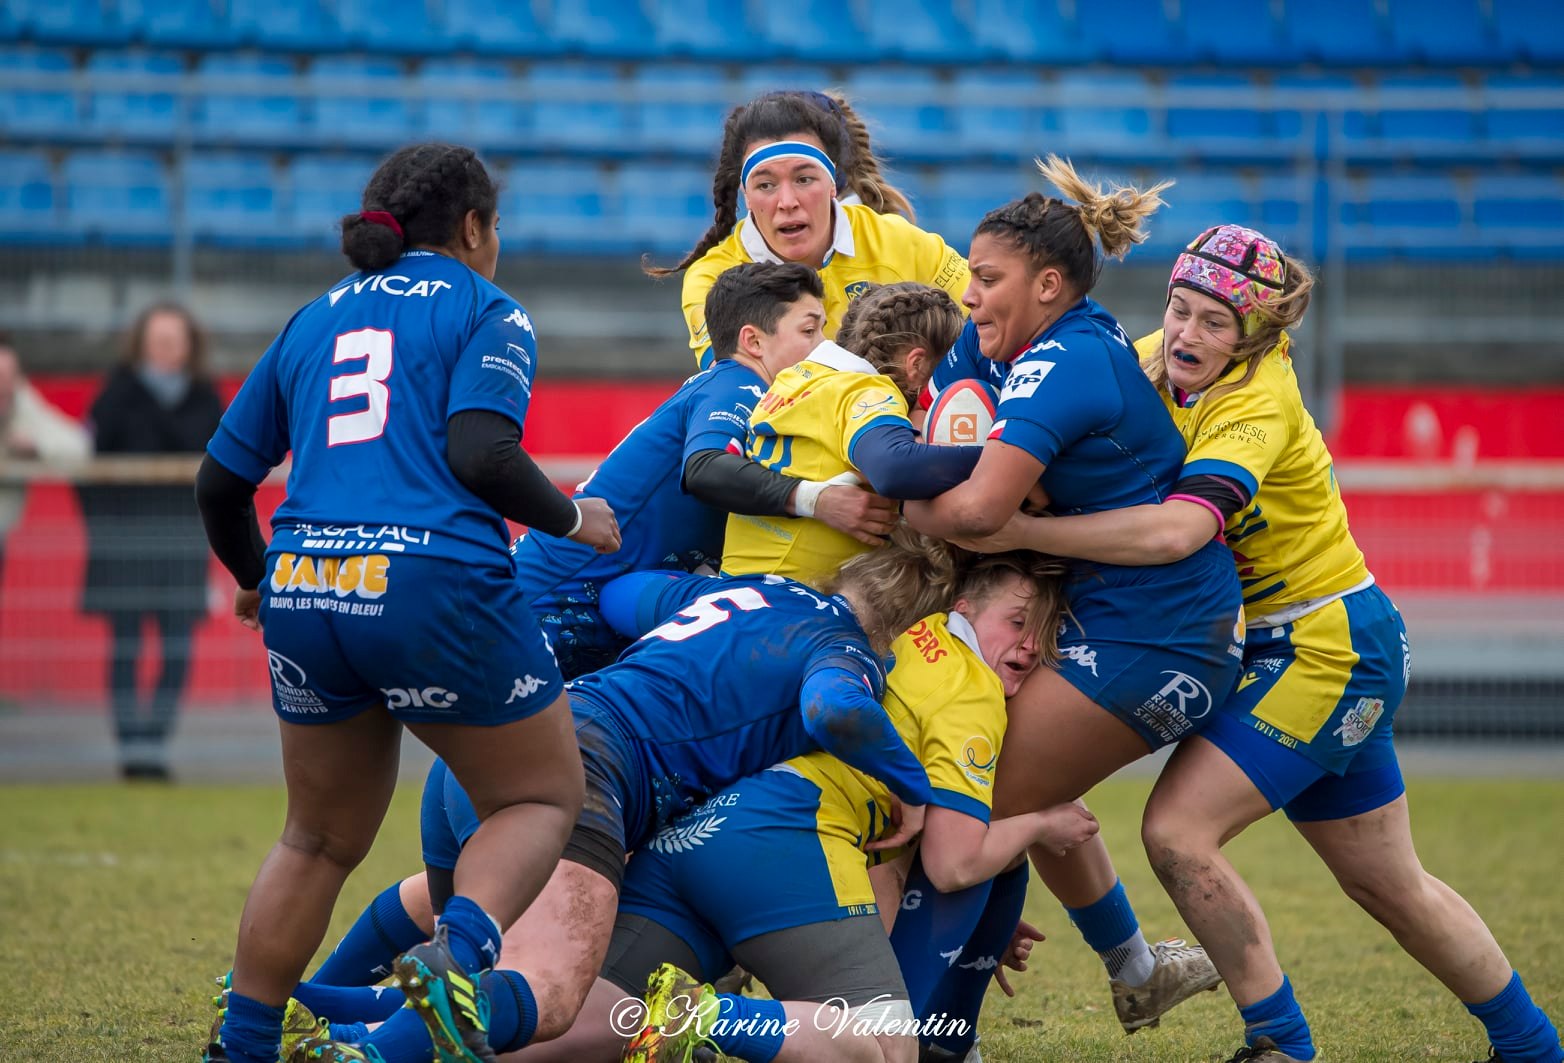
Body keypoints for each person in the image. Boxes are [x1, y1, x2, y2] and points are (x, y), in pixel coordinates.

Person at [953, 224, 1564, 1063]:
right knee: (1390, 884)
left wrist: (1017, 525)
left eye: (1214, 321)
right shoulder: (1148, 355)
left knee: (1176, 830)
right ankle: (1532, 1046)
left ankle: (1278, 1042)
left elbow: (1179, 532)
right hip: (1296, 641)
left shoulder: (1256, 401)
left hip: (1323, 644)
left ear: (1258, 334)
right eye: (1179, 310)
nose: (1188, 335)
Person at [193, 142, 620, 1063]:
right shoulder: (487, 309)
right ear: (474, 227)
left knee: (314, 837)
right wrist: (575, 516)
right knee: (543, 793)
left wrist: (260, 578)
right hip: (432, 580)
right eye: (494, 226)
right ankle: (457, 953)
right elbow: (481, 455)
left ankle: (243, 1045)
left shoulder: (311, 320)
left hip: (309, 584)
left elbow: (219, 484)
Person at [291, 540, 963, 1063]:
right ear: (909, 628)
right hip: (581, 771)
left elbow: (623, 594)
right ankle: (365, 1052)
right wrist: (911, 787)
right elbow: (833, 708)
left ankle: (303, 1010)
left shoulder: (751, 592)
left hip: (505, 742)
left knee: (475, 973)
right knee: (547, 990)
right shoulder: (848, 646)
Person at [896, 158, 1245, 1052]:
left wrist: (884, 499)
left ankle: (915, 1033)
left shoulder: (1069, 356)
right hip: (1108, 615)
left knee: (968, 815)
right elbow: (951, 452)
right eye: (969, 275)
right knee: (993, 808)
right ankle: (1127, 973)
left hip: (1161, 632)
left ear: (1047, 285)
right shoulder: (1004, 345)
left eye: (986, 278)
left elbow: (973, 510)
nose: (968, 297)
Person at [534, 543, 1099, 1063]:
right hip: (783, 840)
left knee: (576, 1018)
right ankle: (693, 1016)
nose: (1028, 647)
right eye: (1019, 623)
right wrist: (1042, 823)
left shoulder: (893, 635)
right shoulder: (969, 687)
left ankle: (462, 1024)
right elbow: (954, 866)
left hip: (691, 834)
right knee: (888, 1046)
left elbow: (623, 593)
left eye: (1044, 637)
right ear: (963, 606)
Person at [513, 261, 896, 678]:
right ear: (752, 341)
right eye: (809, 331)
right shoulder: (740, 385)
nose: (822, 347)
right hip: (548, 603)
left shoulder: (753, 395)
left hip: (576, 611)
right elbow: (706, 469)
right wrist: (817, 500)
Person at [647, 90, 969, 372]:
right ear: (745, 195)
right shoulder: (712, 280)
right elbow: (740, 385)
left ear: (833, 184)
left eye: (804, 179)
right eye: (766, 185)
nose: (787, 202)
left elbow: (988, 322)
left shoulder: (901, 242)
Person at [721, 282, 981, 589]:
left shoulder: (799, 376)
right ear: (917, 365)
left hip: (739, 583)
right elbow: (895, 468)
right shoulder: (864, 390)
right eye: (943, 376)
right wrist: (1004, 456)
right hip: (789, 599)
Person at [75, 304, 223, 781]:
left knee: (178, 646)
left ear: (189, 345)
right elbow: (86, 466)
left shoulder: (205, 397)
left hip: (183, 541)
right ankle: (132, 749)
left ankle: (154, 744)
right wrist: (106, 526)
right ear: (141, 343)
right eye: (157, 340)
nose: (165, 349)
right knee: (126, 645)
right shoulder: (116, 394)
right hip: (125, 541)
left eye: (174, 340)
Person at [0, 334, 90, 580]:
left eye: (8, 377)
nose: (3, 386)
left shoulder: (22, 403)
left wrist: (37, 446)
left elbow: (78, 446)